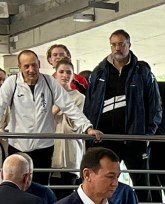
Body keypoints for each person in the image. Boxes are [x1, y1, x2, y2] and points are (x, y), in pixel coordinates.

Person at [84, 30, 161, 204]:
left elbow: (155, 106)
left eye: (121, 44)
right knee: (105, 182)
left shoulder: (142, 72)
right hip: (106, 141)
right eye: (114, 44)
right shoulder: (99, 72)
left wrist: (148, 134)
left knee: (141, 183)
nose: (118, 48)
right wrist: (90, 130)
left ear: (129, 44)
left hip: (135, 139)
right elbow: (90, 105)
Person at [0, 50, 101, 184]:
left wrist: (87, 128)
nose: (31, 70)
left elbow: (68, 106)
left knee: (41, 187)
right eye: (26, 66)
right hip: (18, 146)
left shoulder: (49, 82)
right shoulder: (11, 83)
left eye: (34, 65)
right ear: (19, 67)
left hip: (44, 147)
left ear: (39, 64)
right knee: (17, 186)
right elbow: (0, 106)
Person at [51, 58, 85, 199]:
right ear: (56, 74)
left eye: (68, 72)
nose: (65, 75)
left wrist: (63, 105)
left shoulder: (79, 97)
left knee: (68, 194)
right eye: (61, 72)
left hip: (70, 150)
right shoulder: (48, 94)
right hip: (52, 149)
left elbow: (76, 124)